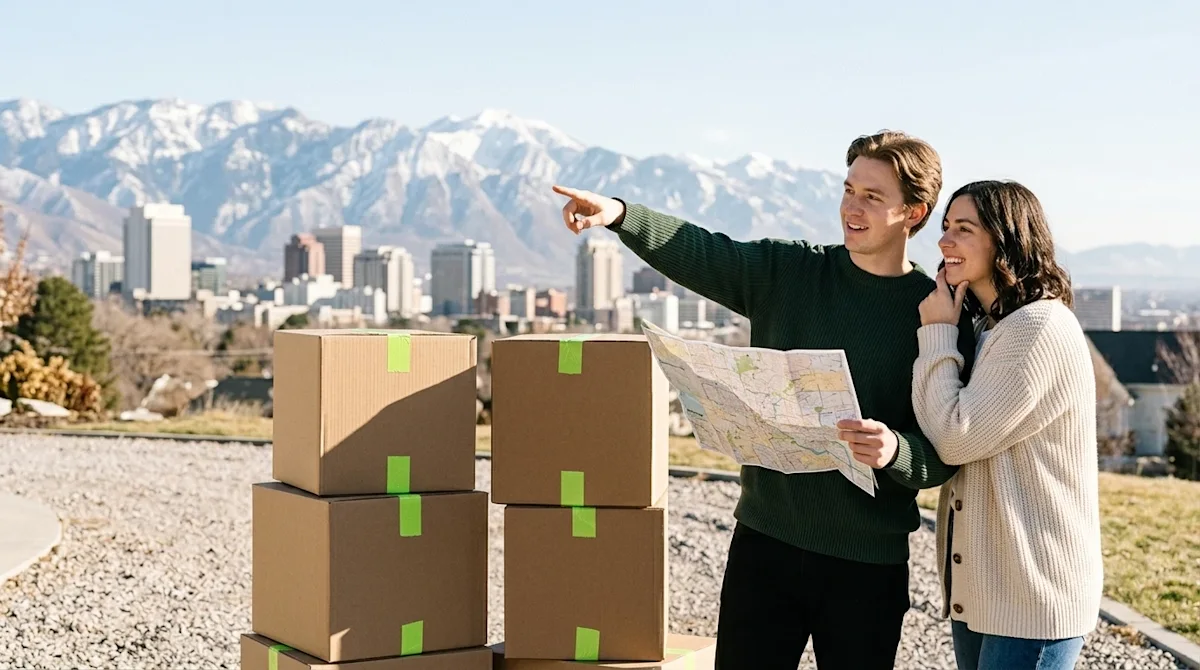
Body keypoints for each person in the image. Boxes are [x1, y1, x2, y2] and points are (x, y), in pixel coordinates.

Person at [553, 130, 977, 670]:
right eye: (849, 189)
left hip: (866, 568)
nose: (852, 206)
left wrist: (895, 450)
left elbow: (943, 454)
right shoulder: (790, 272)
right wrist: (618, 214)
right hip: (764, 545)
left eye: (873, 196)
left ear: (913, 213)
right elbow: (703, 251)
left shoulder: (934, 315)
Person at [913, 180, 1103, 670]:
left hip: (1030, 595)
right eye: (945, 227)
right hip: (988, 591)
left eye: (964, 229)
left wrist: (934, 333)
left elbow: (954, 436)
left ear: (1006, 238)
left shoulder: (1037, 328)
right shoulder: (991, 326)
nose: (944, 241)